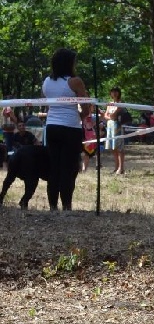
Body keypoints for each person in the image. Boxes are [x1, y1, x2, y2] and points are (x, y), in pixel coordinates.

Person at [42, 48, 91, 211]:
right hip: (70, 127)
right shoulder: (75, 81)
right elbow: (86, 108)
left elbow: (48, 102)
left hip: (52, 126)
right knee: (69, 168)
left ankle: (52, 205)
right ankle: (67, 205)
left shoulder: (47, 81)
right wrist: (81, 114)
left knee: (54, 166)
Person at [104, 86, 126, 175]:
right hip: (109, 126)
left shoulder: (121, 103)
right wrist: (109, 116)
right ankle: (116, 167)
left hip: (118, 126)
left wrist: (110, 116)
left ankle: (121, 168)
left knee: (119, 147)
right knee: (113, 148)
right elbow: (105, 116)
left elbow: (115, 114)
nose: (114, 93)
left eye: (116, 91)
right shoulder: (109, 104)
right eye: (113, 91)